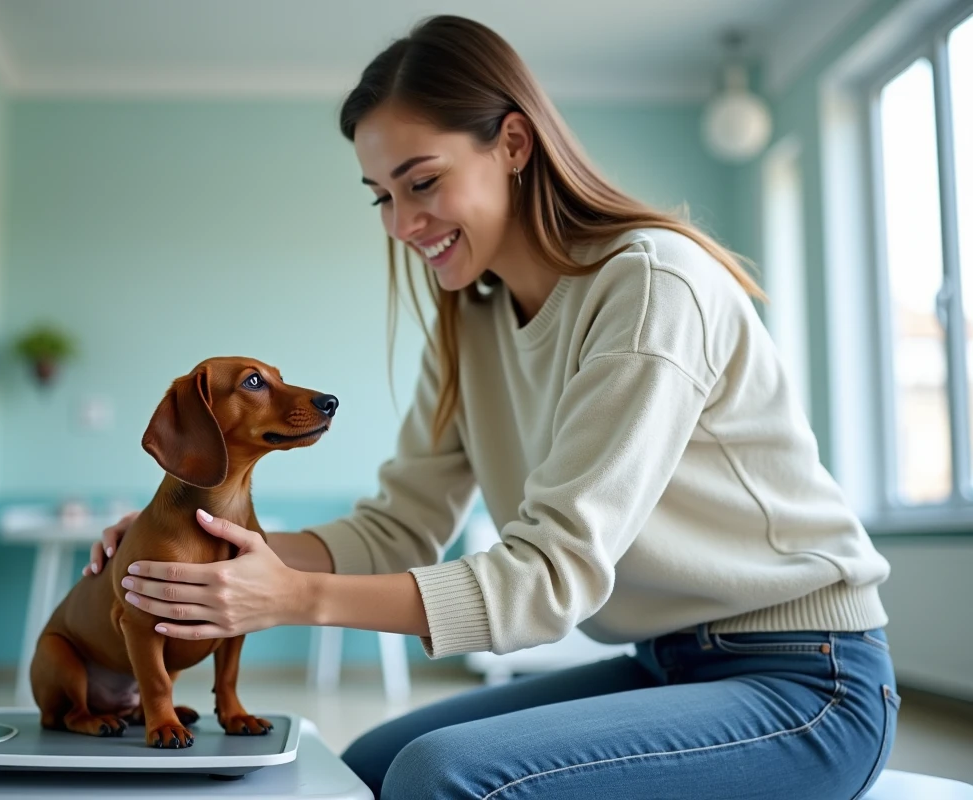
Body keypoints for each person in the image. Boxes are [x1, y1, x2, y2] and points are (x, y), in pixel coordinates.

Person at [84, 14, 898, 799]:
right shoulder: (470, 321)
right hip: (665, 661)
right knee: (367, 761)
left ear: (513, 143)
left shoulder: (651, 286)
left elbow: (548, 581)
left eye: (423, 183)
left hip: (809, 678)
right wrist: (191, 556)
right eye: (380, 197)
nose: (403, 224)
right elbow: (395, 531)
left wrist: (295, 599)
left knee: (440, 777)